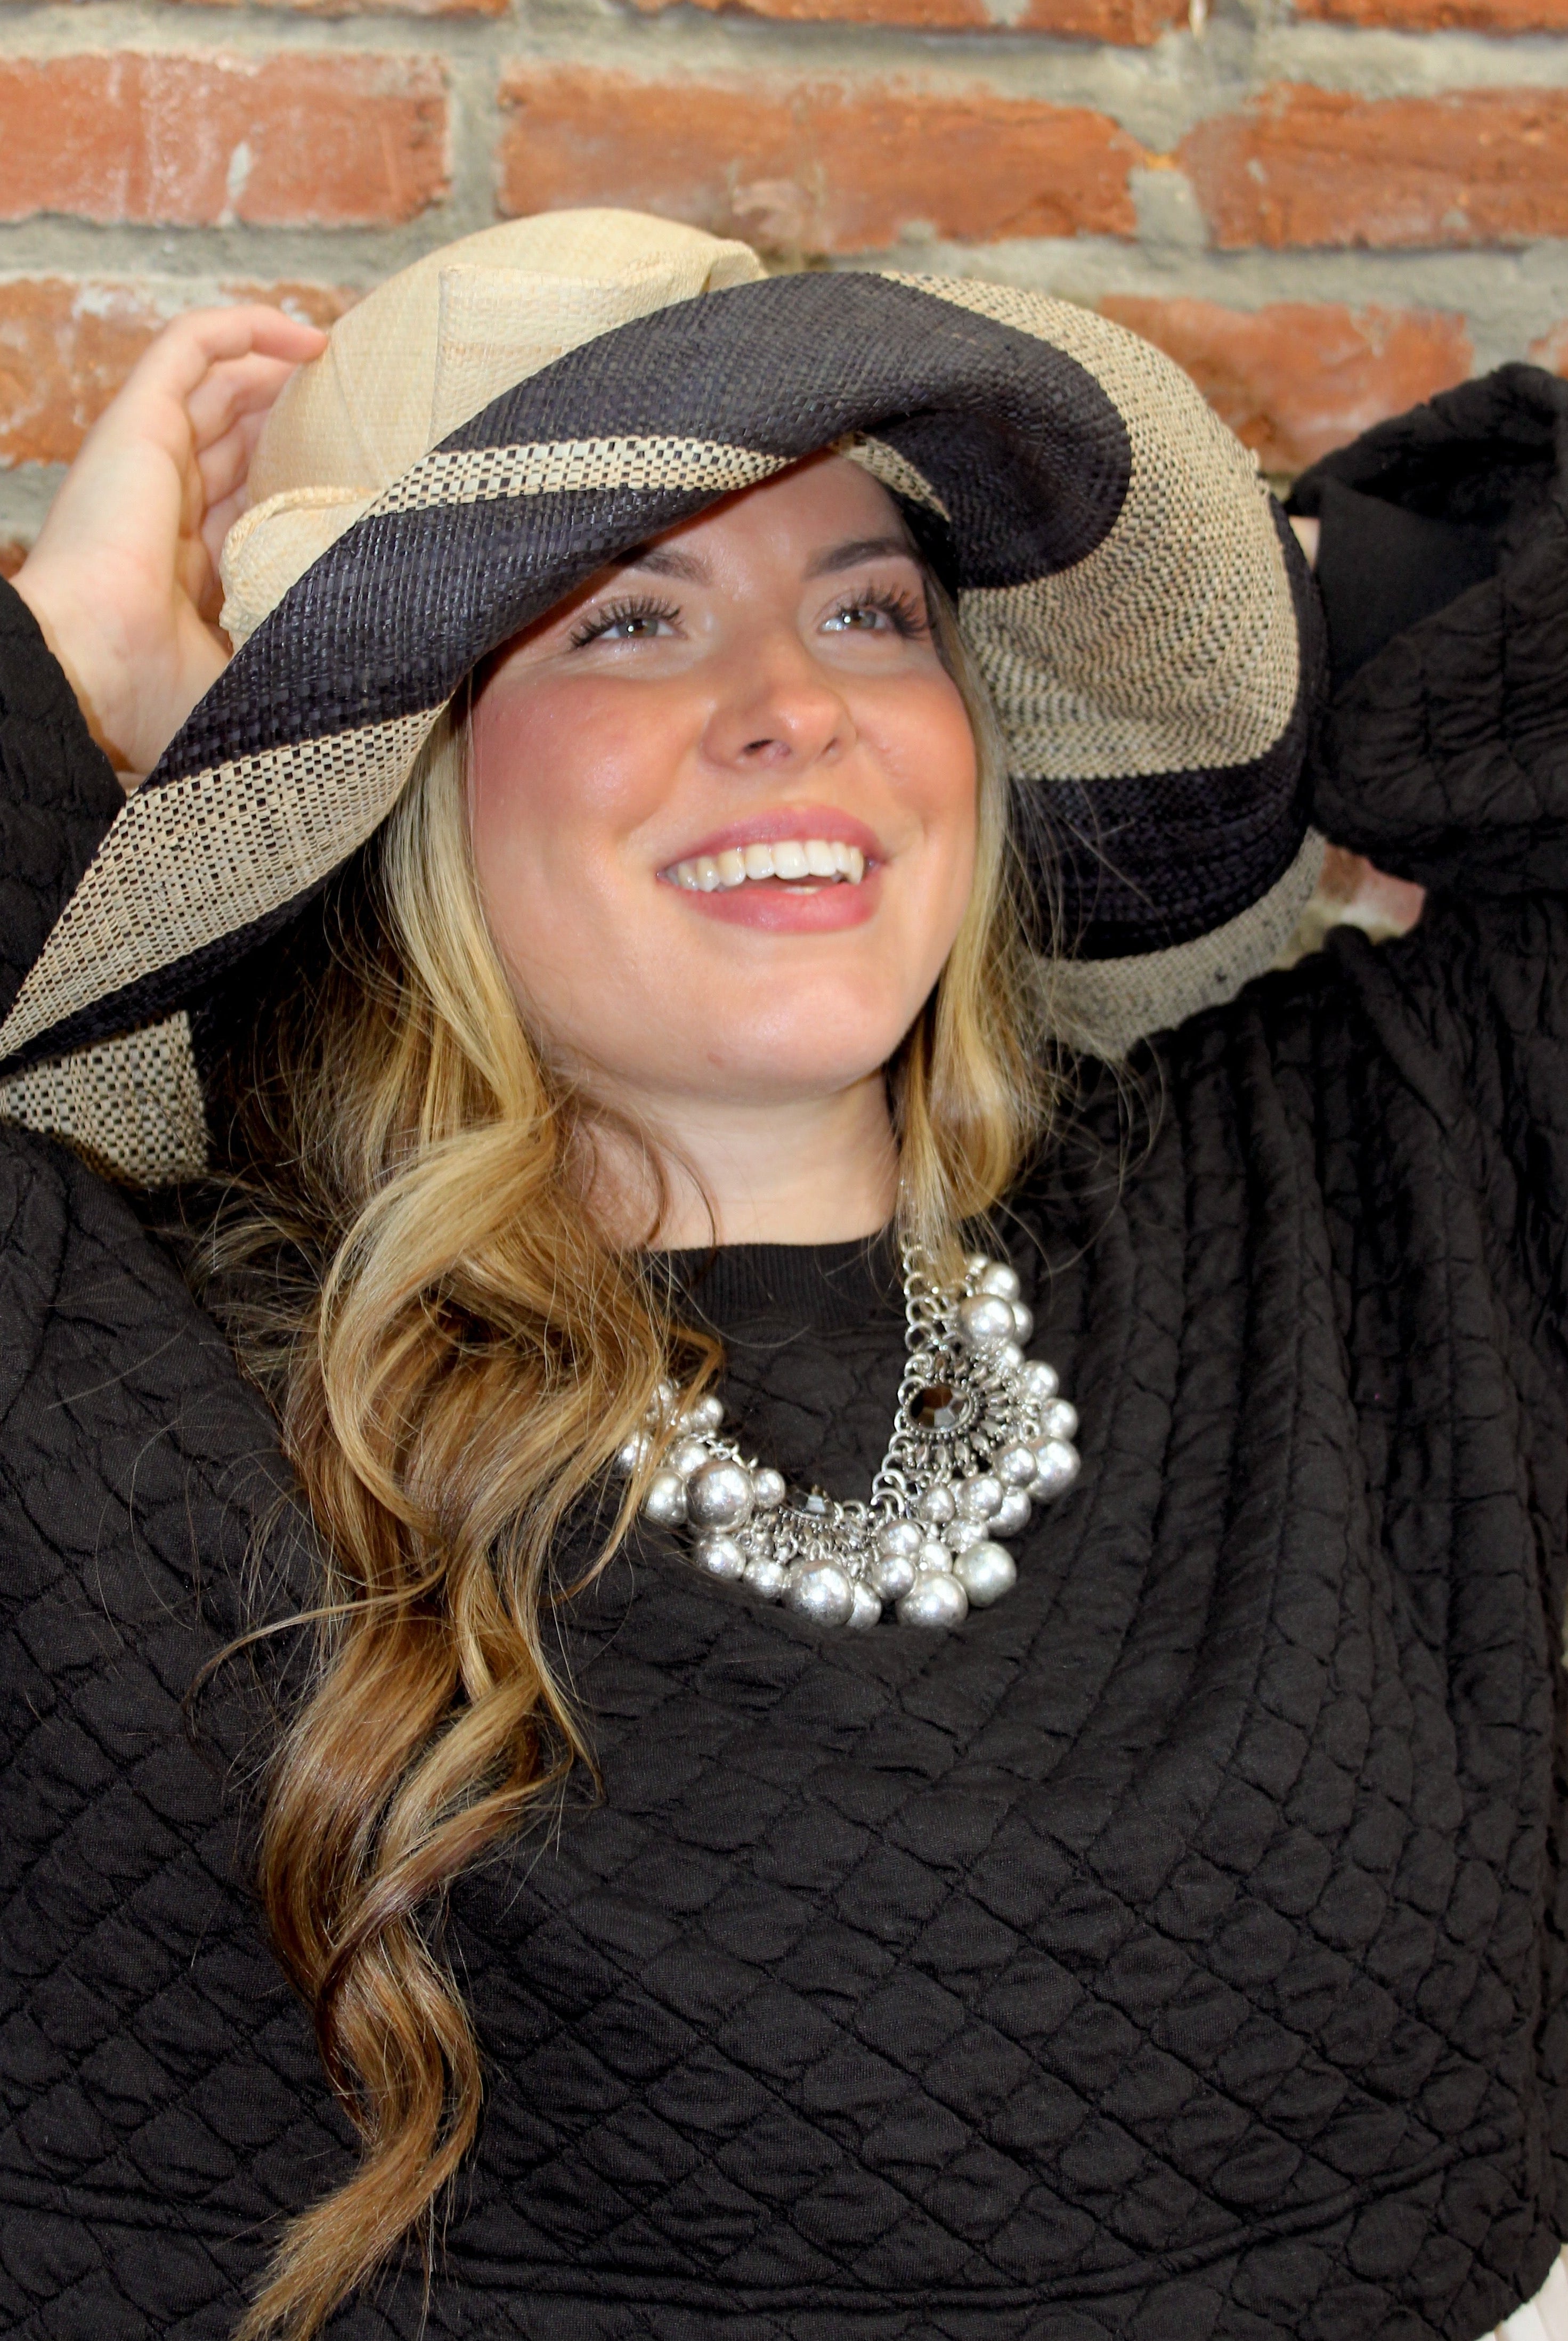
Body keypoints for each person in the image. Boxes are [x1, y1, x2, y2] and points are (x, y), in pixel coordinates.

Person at [0, 207, 1565, 2341]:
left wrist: (1286, 592)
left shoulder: (1333, 1192)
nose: (789, 713)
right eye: (623, 624)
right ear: (409, 777)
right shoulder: (134, 1398)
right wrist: (78, 658)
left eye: (873, 611)